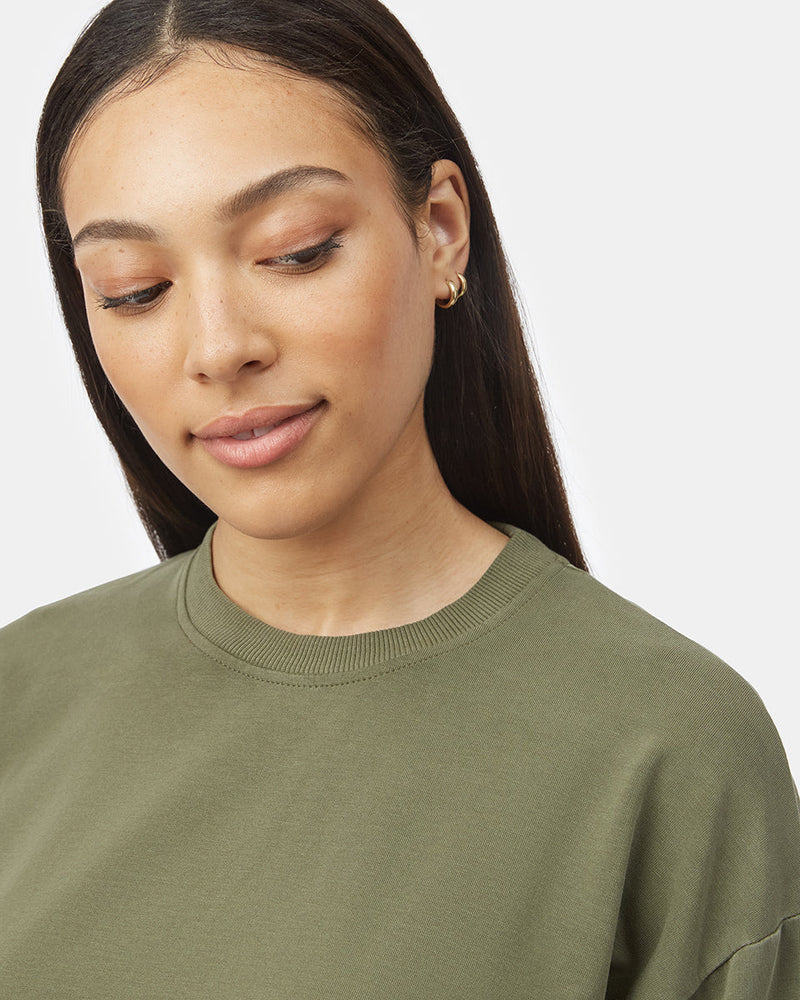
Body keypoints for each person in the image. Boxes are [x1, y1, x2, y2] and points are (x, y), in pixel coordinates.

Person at [1, 0, 798, 996]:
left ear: (440, 231)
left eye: (294, 249)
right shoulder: (21, 695)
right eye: (135, 289)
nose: (218, 347)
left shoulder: (669, 749)